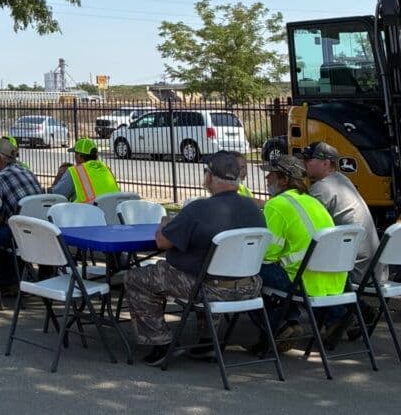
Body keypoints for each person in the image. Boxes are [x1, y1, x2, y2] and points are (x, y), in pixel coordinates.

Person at [124, 151, 266, 366]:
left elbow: (163, 243)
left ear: (209, 177)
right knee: (207, 272)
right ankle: (207, 342)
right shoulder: (254, 209)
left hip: (209, 289)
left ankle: (160, 342)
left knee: (136, 277)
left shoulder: (199, 209)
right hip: (250, 287)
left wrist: (164, 224)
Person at [252, 154, 338, 355]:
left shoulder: (277, 205)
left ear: (284, 179)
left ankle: (277, 327)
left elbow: (267, 253)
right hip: (331, 279)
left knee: (245, 275)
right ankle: (289, 320)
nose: (267, 180)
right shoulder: (312, 202)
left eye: (271, 175)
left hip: (301, 278)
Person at [303, 142, 384, 284]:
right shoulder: (342, 180)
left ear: (326, 163)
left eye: (309, 160)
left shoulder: (321, 189)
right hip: (373, 271)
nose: (304, 163)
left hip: (355, 272)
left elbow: (301, 222)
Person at [0, 137, 44, 290]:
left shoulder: (0, 178)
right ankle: (22, 274)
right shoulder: (26, 171)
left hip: (20, 233)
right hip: (41, 229)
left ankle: (7, 281)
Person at [50, 138, 119, 203]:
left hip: (85, 213)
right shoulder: (106, 168)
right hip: (111, 212)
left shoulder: (74, 172)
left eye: (75, 154)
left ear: (79, 156)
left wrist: (59, 176)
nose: (75, 157)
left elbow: (55, 197)